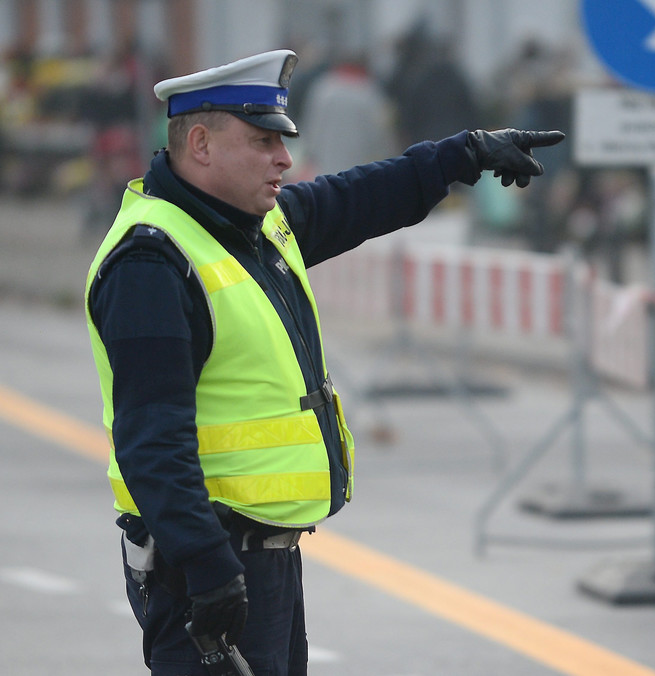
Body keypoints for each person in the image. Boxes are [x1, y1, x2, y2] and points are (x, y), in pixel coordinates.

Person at [83, 49, 563, 675]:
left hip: (259, 559)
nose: (284, 158)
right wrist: (208, 568)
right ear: (199, 143)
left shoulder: (250, 227)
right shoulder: (153, 262)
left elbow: (356, 198)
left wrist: (465, 153)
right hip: (204, 563)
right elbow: (152, 441)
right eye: (262, 142)